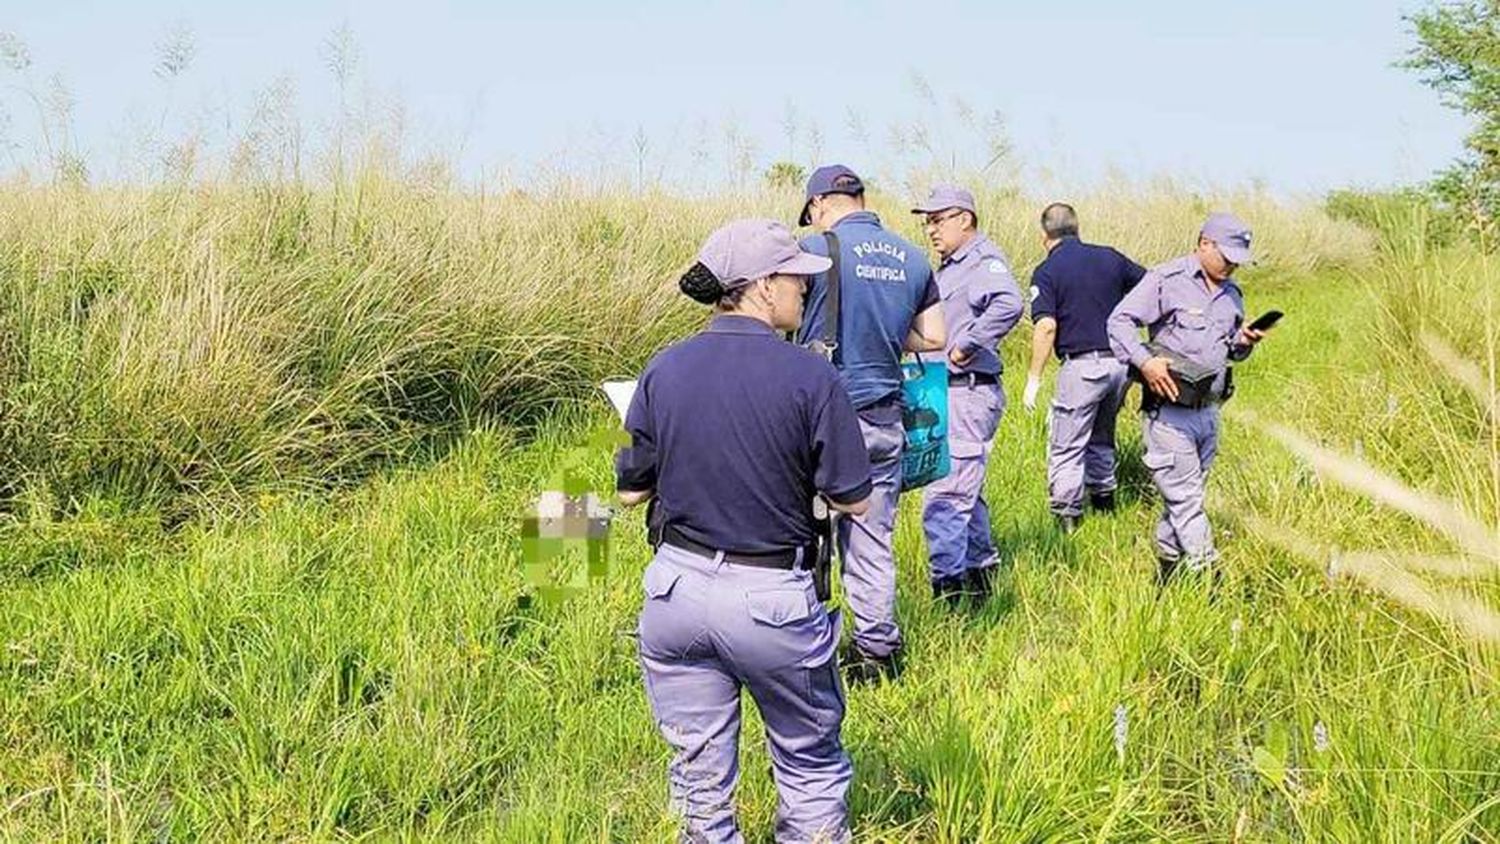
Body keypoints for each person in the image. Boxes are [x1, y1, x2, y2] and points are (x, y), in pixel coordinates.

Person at [616, 219, 873, 843]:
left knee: (699, 780)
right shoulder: (811, 378)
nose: (805, 292)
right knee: (808, 764)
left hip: (674, 593)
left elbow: (629, 492)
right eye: (795, 279)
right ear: (760, 287)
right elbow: (855, 501)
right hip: (772, 602)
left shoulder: (662, 369)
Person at [795, 164, 945, 681]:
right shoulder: (913, 255)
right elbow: (935, 337)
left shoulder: (814, 251)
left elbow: (784, 320)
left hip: (823, 419)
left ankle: (806, 645)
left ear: (818, 206)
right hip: (885, 415)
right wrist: (882, 336)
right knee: (871, 539)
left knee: (803, 534)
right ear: (861, 198)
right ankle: (878, 651)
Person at [1106, 212, 1269, 582]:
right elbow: (1119, 321)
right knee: (1187, 500)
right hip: (1169, 413)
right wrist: (1145, 363)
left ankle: (1166, 571)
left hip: (1209, 412)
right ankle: (1211, 579)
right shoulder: (1167, 279)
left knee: (1183, 497)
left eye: (1238, 261)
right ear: (1204, 244)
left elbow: (1228, 352)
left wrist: (1243, 343)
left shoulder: (1232, 296)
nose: (1232, 267)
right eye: (1226, 257)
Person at [908, 185, 1023, 606]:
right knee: (965, 490)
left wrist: (966, 345)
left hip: (966, 392)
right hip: (945, 393)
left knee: (945, 495)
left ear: (964, 219)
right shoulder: (949, 267)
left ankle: (949, 593)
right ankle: (980, 574)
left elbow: (1009, 303)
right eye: (928, 222)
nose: (931, 229)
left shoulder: (981, 261)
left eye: (938, 220)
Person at [1023, 203, 1147, 533]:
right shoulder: (1110, 257)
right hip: (1121, 365)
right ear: (1077, 229)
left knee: (1067, 444)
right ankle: (1105, 506)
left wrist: (1033, 379)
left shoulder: (1046, 272)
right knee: (1103, 435)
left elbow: (1046, 326)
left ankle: (1068, 520)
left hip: (1082, 367)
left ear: (1044, 236)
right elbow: (1151, 287)